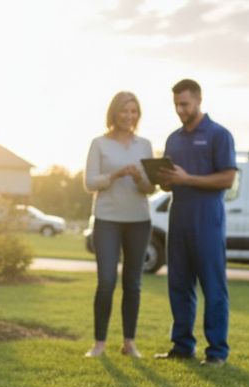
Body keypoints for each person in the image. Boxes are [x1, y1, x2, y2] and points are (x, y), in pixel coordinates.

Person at [154, 79, 237, 366]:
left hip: (208, 222)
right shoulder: (173, 139)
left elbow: (228, 178)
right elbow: (170, 184)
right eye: (176, 104)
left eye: (185, 104)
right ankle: (182, 346)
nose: (180, 109)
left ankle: (216, 353)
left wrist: (188, 179)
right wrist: (164, 179)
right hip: (178, 220)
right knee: (178, 285)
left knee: (213, 288)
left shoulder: (219, 135)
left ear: (199, 101)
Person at [83, 91, 156, 358]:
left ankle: (129, 343)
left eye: (134, 111)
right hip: (107, 219)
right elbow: (89, 183)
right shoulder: (99, 143)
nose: (129, 116)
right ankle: (99, 344)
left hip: (138, 220)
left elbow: (150, 188)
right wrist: (115, 174)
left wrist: (138, 178)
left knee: (133, 283)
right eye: (124, 111)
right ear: (114, 113)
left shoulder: (145, 145)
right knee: (106, 281)